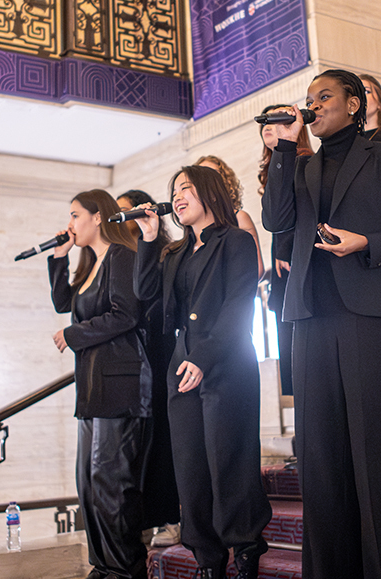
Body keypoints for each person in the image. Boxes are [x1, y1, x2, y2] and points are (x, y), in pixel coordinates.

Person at [262, 69, 381, 579]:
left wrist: (369, 243)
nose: (313, 105)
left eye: (325, 96)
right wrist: (282, 149)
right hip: (312, 319)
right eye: (308, 99)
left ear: (355, 104)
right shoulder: (301, 167)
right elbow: (275, 220)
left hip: (373, 316)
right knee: (322, 463)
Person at [131, 167, 271, 579]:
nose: (177, 197)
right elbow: (145, 292)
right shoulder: (174, 253)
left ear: (209, 193)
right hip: (182, 362)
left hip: (226, 359)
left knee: (229, 460)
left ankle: (245, 549)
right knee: (190, 467)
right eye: (174, 191)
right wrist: (149, 238)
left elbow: (237, 308)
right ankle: (208, 559)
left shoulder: (237, 242)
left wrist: (204, 357)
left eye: (186, 188)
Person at [47, 189, 150, 579]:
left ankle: (126, 569)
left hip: (121, 385)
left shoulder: (123, 257)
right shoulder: (91, 263)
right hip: (92, 387)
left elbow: (126, 315)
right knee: (88, 484)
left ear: (96, 217)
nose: (70, 224)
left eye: (75, 215)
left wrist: (73, 335)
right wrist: (60, 259)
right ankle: (104, 566)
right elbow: (64, 303)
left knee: (111, 483)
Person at [116, 189, 182, 545]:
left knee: (162, 439)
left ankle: (169, 516)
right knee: (135, 445)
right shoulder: (116, 257)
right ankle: (140, 518)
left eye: (126, 212)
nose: (121, 219)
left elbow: (151, 300)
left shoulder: (161, 251)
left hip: (160, 352)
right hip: (131, 359)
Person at [256, 107, 313, 399]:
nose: (267, 125)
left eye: (275, 120)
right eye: (264, 122)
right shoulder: (273, 166)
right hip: (282, 264)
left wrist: (285, 249)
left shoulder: (304, 159)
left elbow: (301, 212)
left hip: (294, 261)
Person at [193, 154, 263, 274]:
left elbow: (257, 269)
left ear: (224, 182)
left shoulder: (239, 218)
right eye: (200, 176)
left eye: (212, 174)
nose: (206, 180)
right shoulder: (194, 227)